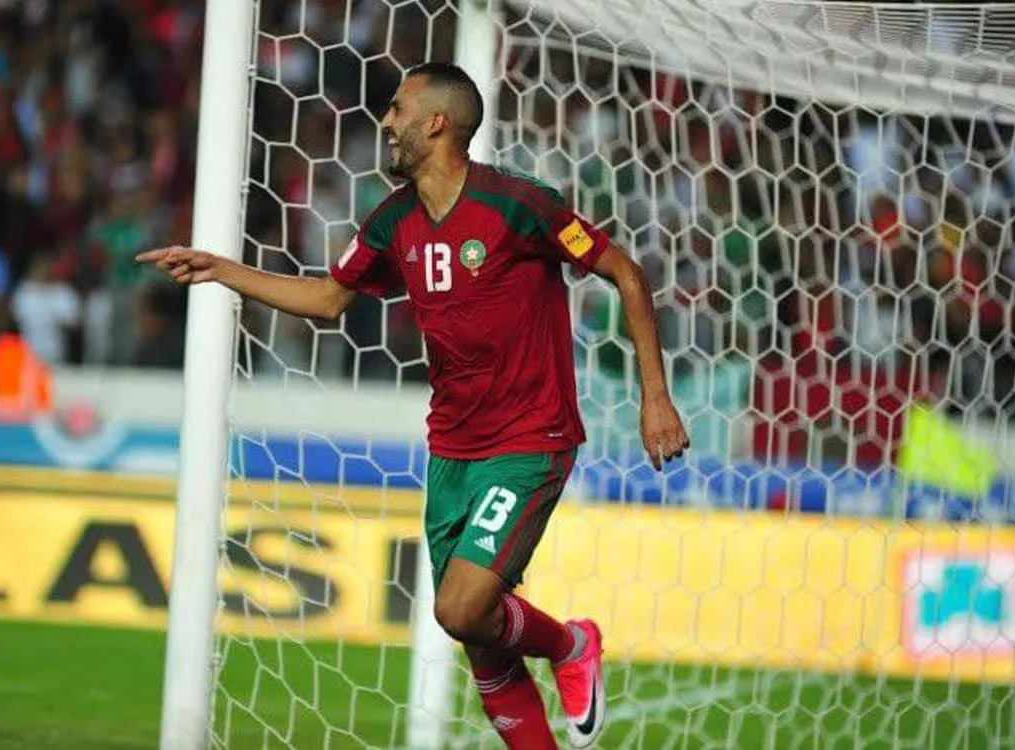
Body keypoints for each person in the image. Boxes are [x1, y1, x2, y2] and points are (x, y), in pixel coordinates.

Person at [138, 62, 689, 749]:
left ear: (436, 123)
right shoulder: (392, 220)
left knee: (460, 608)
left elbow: (626, 274)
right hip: (452, 449)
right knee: (480, 639)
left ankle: (572, 645)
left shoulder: (518, 205)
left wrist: (655, 399)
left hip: (530, 439)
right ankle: (562, 662)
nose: (385, 121)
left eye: (397, 109)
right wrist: (221, 269)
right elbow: (328, 300)